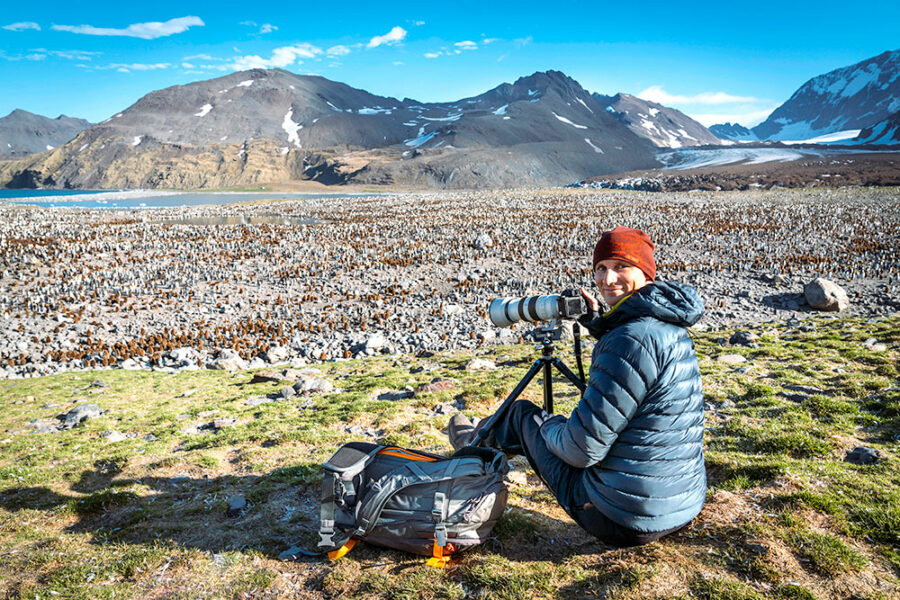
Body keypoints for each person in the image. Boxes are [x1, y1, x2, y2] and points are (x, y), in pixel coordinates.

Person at [449, 226, 706, 547]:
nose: (607, 279)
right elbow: (634, 364)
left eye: (621, 266)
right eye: (601, 268)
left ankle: (473, 443)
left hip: (622, 518)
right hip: (682, 504)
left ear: (645, 273)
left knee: (522, 414)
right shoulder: (666, 323)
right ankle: (487, 436)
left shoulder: (629, 340)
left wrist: (548, 424)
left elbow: (580, 450)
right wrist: (599, 324)